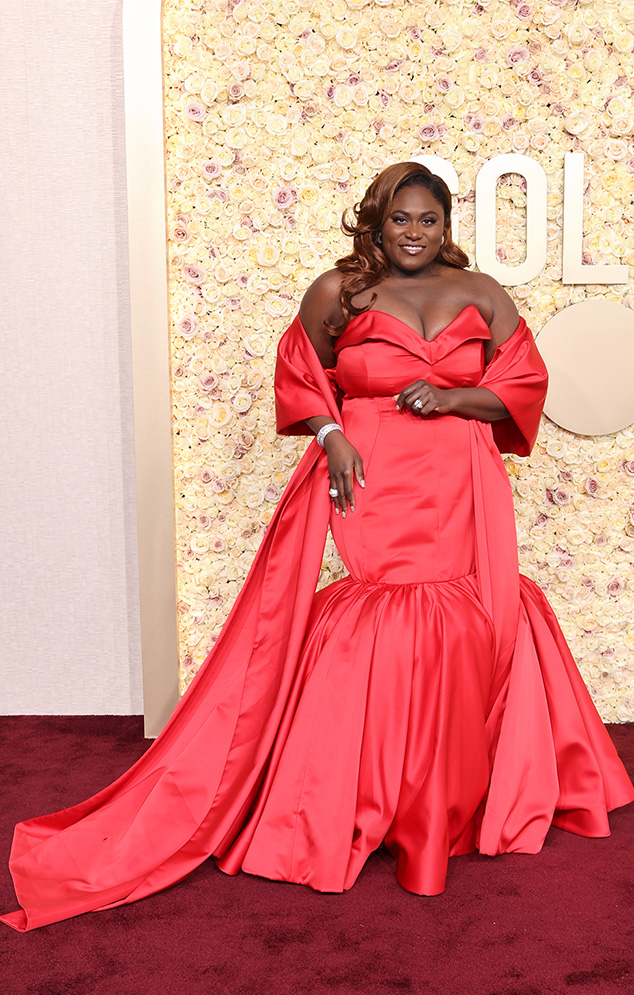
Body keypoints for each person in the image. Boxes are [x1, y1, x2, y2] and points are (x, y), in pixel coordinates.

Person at [2, 162, 632, 932]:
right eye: (399, 219)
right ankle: (363, 799)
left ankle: (455, 798)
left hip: (461, 474)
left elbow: (523, 384)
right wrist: (332, 435)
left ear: (446, 227)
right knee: (386, 612)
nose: (412, 232)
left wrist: (453, 398)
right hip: (371, 467)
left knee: (470, 616)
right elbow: (301, 377)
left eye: (427, 220)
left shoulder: (484, 295)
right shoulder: (340, 291)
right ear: (375, 222)